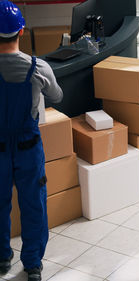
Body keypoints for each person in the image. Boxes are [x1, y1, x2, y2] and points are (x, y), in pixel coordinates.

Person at [0, 1, 63, 280]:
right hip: (28, 149)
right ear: (21, 32)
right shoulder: (38, 67)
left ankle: (2, 257)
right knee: (33, 204)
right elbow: (58, 96)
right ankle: (33, 263)